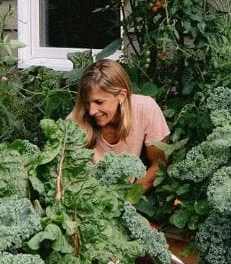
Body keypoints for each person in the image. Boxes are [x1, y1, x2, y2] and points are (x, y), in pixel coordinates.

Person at [72, 59, 169, 193]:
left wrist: (130, 197)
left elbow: (159, 164)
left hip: (130, 193)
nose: (91, 111)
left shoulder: (145, 108)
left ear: (121, 95)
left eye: (99, 102)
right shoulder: (75, 120)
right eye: (87, 103)